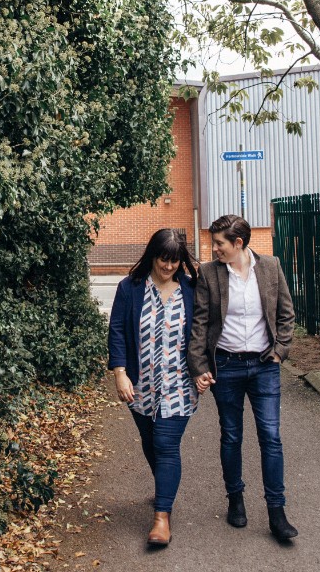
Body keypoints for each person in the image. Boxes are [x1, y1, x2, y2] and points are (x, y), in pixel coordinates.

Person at [188, 214, 299, 542]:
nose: (214, 248)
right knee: (232, 436)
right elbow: (200, 323)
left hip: (265, 365)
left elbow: (286, 313)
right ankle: (235, 499)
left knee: (271, 436)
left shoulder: (270, 266)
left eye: (219, 243)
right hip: (227, 366)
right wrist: (198, 365)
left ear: (238, 243)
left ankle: (277, 513)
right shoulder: (209, 273)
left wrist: (280, 351)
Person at [107, 228, 200, 548]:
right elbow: (117, 330)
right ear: (152, 255)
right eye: (164, 259)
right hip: (140, 383)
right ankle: (164, 486)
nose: (169, 266)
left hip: (179, 383)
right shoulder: (130, 288)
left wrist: (204, 369)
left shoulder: (190, 289)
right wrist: (119, 372)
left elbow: (205, 331)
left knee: (165, 443)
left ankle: (162, 516)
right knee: (149, 440)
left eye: (175, 260)